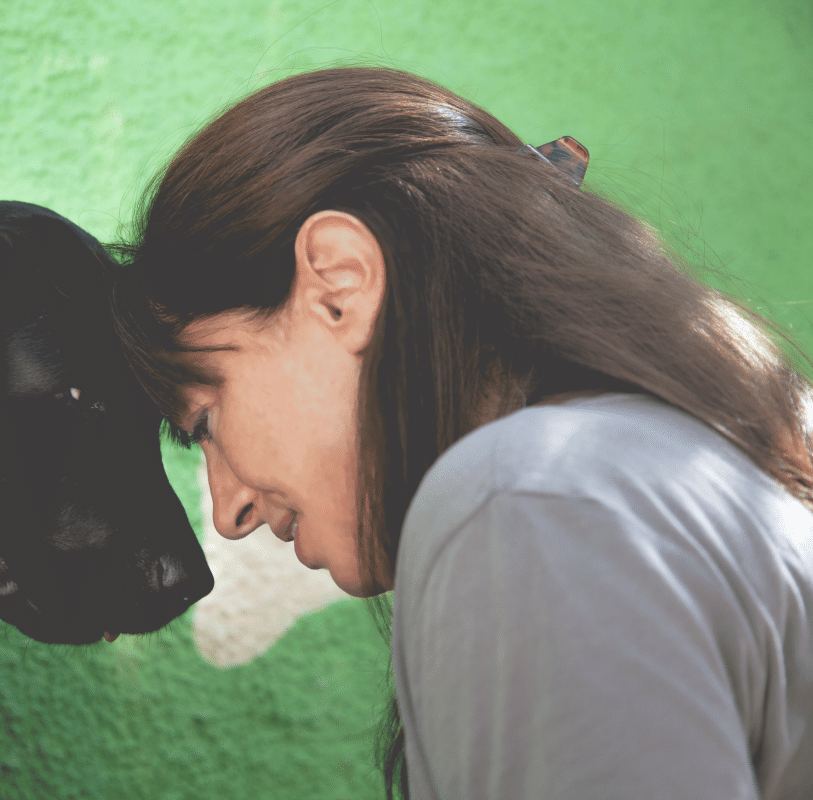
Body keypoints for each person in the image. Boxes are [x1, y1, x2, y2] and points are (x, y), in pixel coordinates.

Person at [110, 67, 813, 799]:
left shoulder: (529, 504)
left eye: (203, 422)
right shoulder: (674, 454)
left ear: (339, 288)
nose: (227, 513)